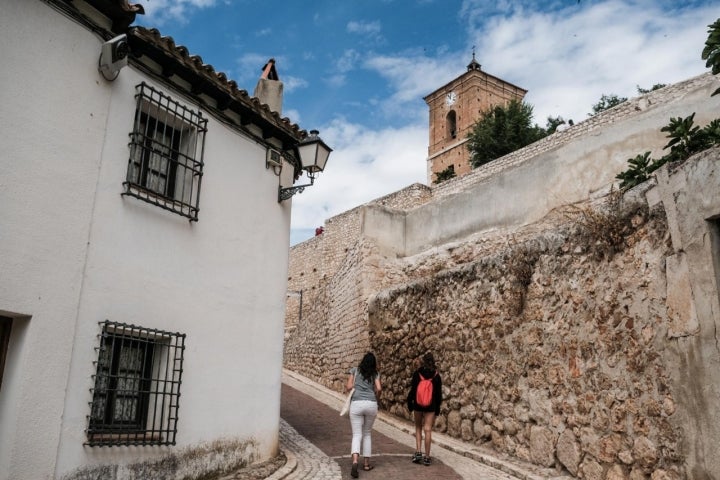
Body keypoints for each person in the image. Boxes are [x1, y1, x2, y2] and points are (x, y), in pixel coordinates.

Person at [346, 352, 382, 478]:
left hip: (356, 404)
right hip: (371, 403)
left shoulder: (355, 370)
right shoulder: (375, 373)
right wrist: (377, 398)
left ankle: (355, 461)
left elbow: (348, 386)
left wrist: (357, 386)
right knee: (367, 433)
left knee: (357, 434)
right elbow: (379, 388)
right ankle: (366, 464)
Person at [407, 352, 442, 466]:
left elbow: (413, 390)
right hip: (431, 406)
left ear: (423, 361)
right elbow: (438, 395)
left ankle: (418, 452)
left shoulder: (417, 373)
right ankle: (427, 457)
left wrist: (410, 403)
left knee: (418, 427)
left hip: (418, 404)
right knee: (428, 429)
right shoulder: (436, 376)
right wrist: (437, 409)